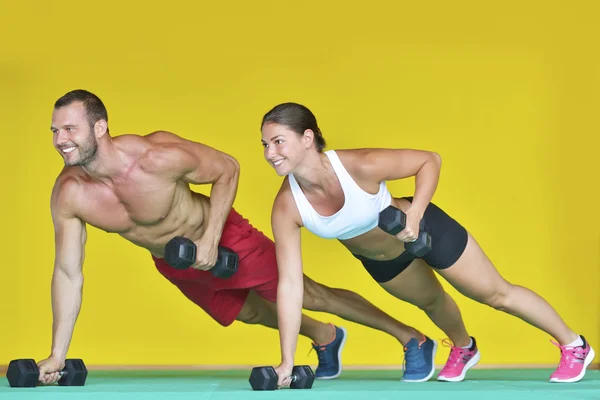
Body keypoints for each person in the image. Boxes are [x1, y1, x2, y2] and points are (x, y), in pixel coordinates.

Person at [37, 89, 448, 385]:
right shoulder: (70, 194)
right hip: (173, 261)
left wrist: (212, 239)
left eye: (70, 129)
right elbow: (68, 273)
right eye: (55, 131)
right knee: (248, 313)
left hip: (221, 238)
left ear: (101, 126)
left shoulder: (156, 156)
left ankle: (410, 337)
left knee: (309, 293)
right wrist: (58, 353)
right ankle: (325, 337)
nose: (60, 141)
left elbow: (227, 169)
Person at [260, 102, 596, 387]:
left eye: (278, 141)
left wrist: (416, 215)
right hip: (385, 261)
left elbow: (428, 160)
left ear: (307, 138)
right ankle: (464, 348)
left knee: (495, 295)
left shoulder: (358, 165)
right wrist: (286, 361)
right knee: (433, 303)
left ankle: (574, 344)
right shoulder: (287, 206)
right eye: (265, 145)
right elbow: (290, 284)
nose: (270, 153)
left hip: (425, 232)